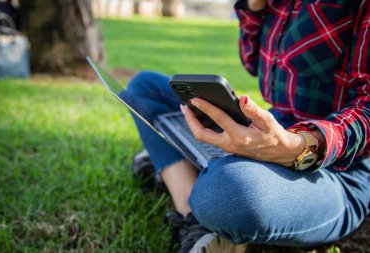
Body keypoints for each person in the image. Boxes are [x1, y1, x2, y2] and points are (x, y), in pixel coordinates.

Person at [120, 0, 370, 252]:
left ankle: (190, 174)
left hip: (338, 168)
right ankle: (195, 222)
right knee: (145, 89)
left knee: (227, 194)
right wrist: (255, 7)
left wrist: (296, 147)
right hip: (275, 128)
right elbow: (253, 62)